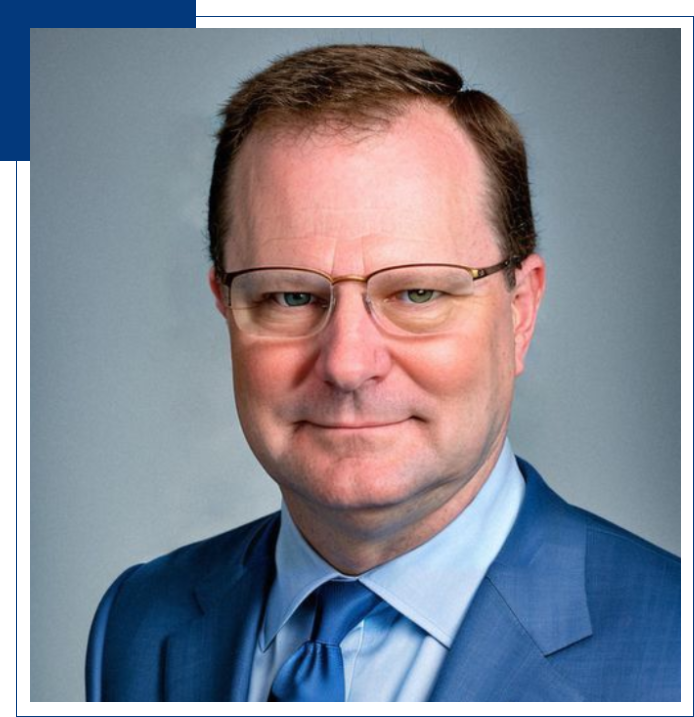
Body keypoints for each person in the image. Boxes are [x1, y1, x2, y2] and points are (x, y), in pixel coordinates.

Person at [85, 44, 685, 704]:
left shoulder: (678, 643)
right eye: (290, 296)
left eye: (418, 294)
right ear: (227, 306)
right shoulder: (139, 621)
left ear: (520, 312)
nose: (347, 363)